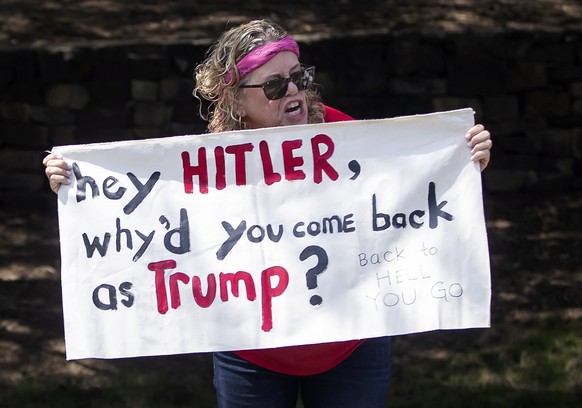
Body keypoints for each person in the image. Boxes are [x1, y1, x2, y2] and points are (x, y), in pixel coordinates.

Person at [44, 19, 492, 408]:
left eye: (298, 77)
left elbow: (411, 184)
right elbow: (145, 208)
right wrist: (75, 180)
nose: (294, 90)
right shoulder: (207, 164)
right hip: (252, 356)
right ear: (236, 101)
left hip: (351, 347)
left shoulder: (352, 138)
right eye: (275, 86)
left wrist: (462, 156)